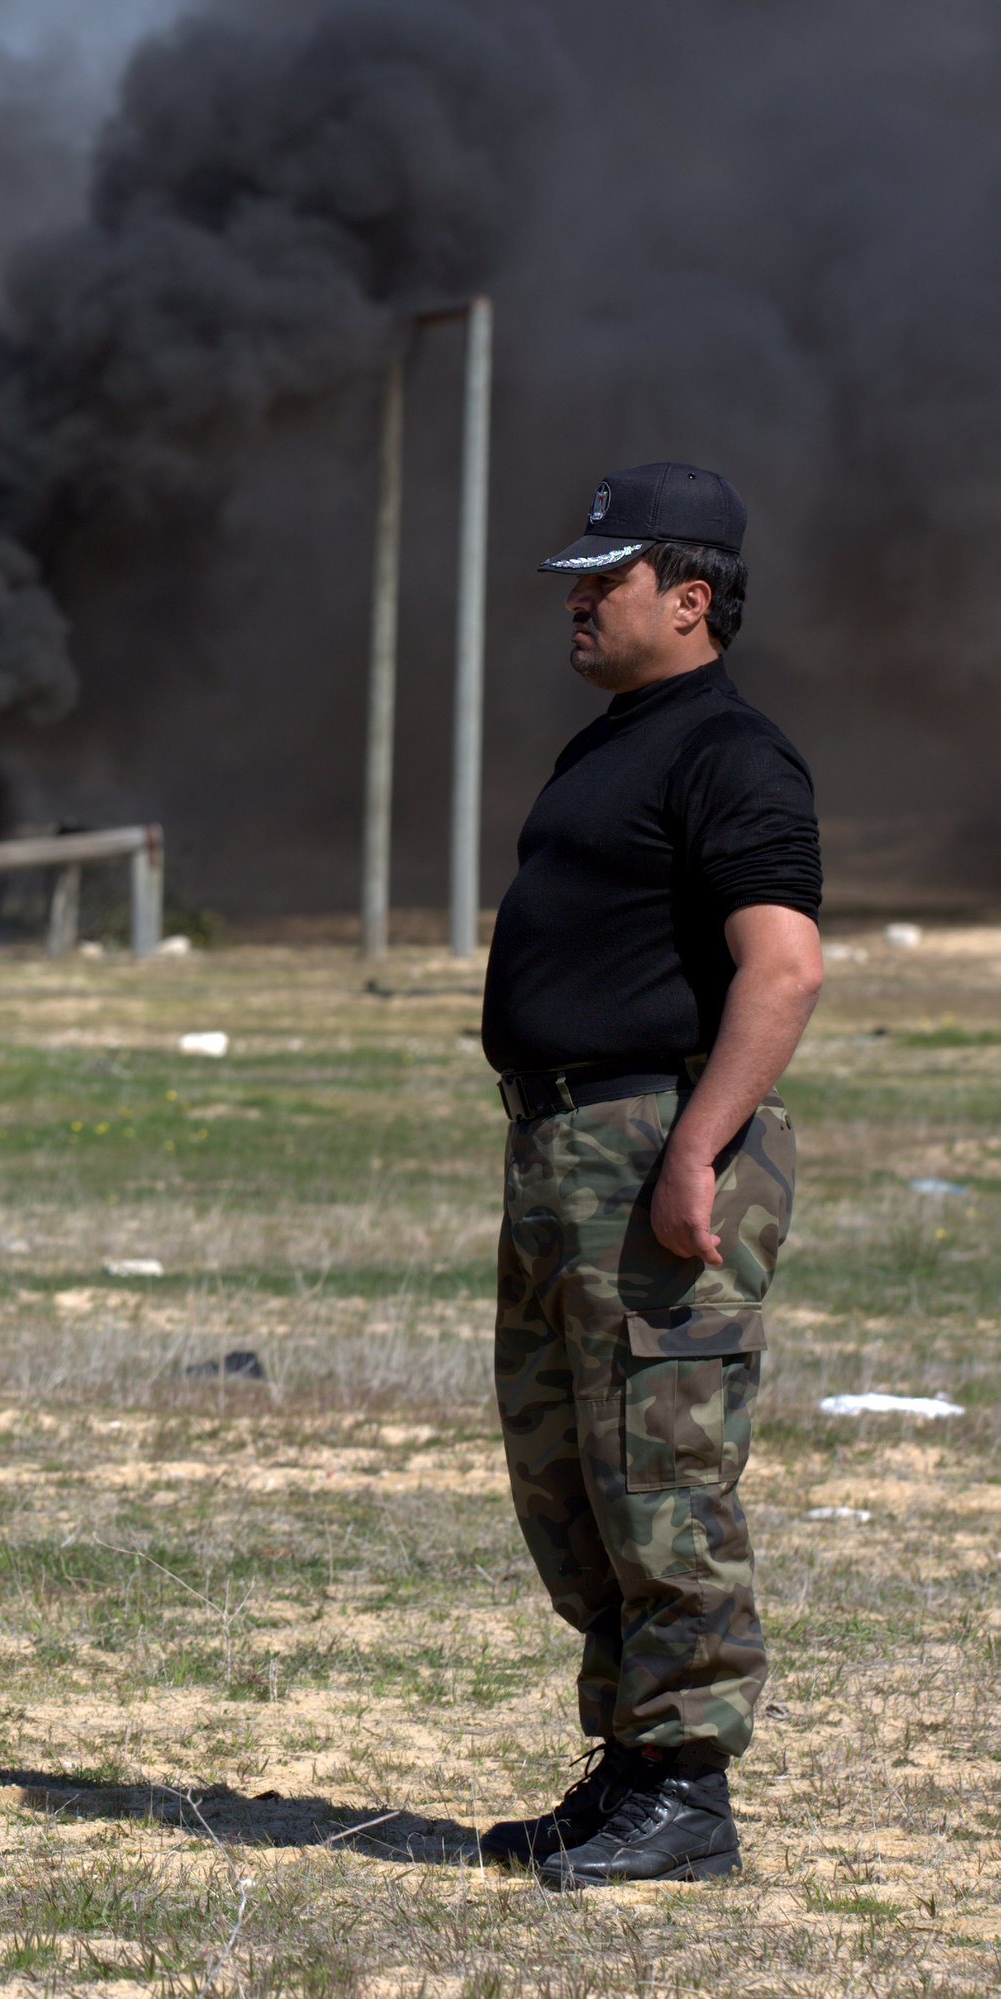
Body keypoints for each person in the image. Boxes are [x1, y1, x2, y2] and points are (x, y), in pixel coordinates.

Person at [477, 462, 821, 1889]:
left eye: (603, 577)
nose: (577, 596)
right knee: (575, 1478)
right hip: (564, 1145)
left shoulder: (732, 755)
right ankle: (630, 1761)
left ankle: (691, 1790)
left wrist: (696, 1150)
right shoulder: (607, 745)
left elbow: (782, 964)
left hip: (652, 1143)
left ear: (689, 598)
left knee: (665, 1474)